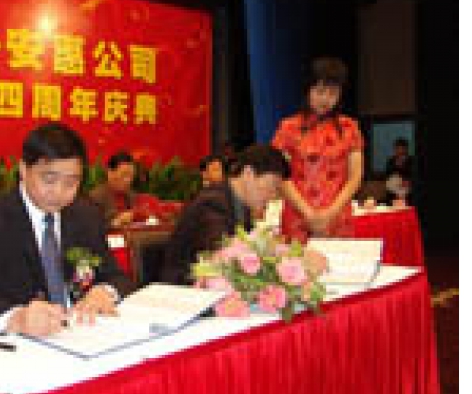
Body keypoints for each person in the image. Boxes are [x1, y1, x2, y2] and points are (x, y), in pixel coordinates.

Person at [0, 124, 132, 336]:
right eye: (49, 179)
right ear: (24, 170)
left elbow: (119, 277)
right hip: (21, 343)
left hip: (81, 335)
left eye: (71, 183)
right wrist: (16, 319)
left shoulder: (86, 215)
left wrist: (105, 291)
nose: (59, 192)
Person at [160, 145, 290, 285]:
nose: (273, 196)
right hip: (185, 289)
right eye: (272, 187)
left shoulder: (242, 206)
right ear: (248, 173)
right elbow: (223, 255)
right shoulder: (212, 203)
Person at [272, 57, 364, 243]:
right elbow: (280, 175)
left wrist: (330, 213)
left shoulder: (350, 127)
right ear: (308, 89)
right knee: (296, 262)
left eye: (333, 93)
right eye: (320, 91)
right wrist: (308, 213)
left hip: (337, 218)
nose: (325, 99)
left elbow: (355, 176)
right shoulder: (288, 127)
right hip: (297, 217)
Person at [88, 151, 137, 228]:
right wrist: (115, 223)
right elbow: (90, 227)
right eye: (124, 175)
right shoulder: (95, 197)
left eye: (131, 176)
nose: (128, 180)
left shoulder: (132, 195)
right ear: (110, 172)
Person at [384, 137, 414, 205]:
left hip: (408, 192)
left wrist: (408, 182)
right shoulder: (391, 161)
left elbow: (414, 177)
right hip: (393, 191)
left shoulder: (412, 161)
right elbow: (387, 176)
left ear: (406, 149)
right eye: (397, 149)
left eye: (402, 149)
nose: (399, 151)